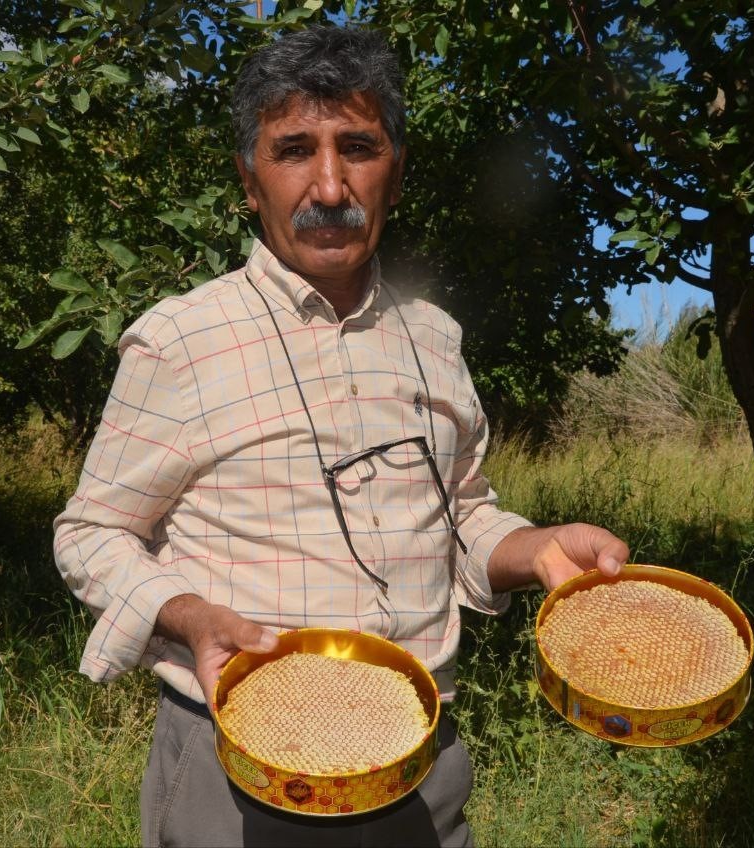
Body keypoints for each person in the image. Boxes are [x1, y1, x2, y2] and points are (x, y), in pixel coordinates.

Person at [53, 25, 628, 848]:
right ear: (249, 182)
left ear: (395, 175)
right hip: (239, 775)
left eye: (357, 146)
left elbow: (463, 519)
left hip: (417, 766)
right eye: (293, 150)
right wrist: (182, 613)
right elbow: (91, 533)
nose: (329, 185)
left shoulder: (434, 339)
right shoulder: (182, 340)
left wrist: (535, 549)